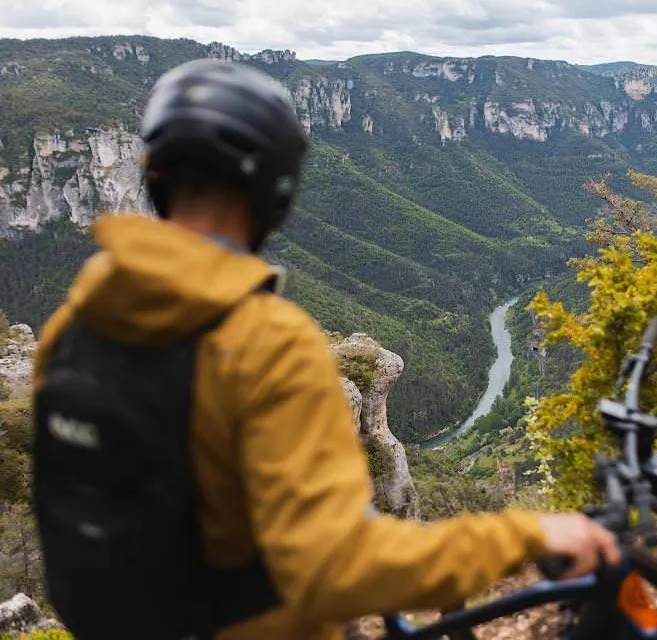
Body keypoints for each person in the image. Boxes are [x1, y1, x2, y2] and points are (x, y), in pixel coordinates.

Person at [29, 59, 619, 640]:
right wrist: (527, 536)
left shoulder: (73, 329)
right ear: (276, 189)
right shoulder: (263, 342)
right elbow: (342, 565)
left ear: (155, 179)